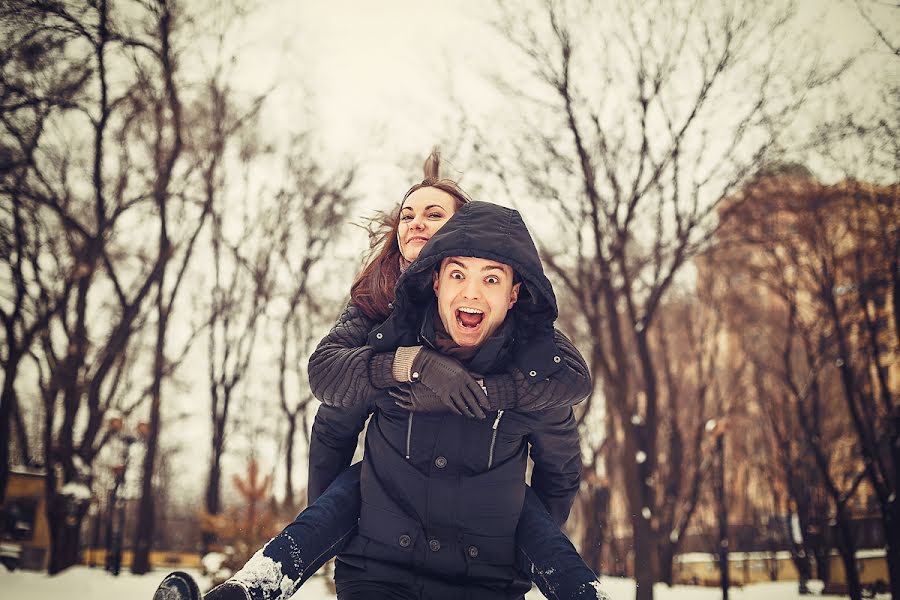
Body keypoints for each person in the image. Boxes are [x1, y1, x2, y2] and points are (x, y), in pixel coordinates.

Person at [154, 156, 608, 600]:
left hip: (482, 560)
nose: (416, 225)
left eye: (435, 216)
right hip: (382, 548)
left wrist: (494, 396)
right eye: (407, 215)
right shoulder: (377, 313)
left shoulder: (529, 345)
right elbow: (331, 404)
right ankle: (250, 589)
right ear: (436, 279)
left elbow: (567, 402)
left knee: (517, 504)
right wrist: (409, 366)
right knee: (361, 483)